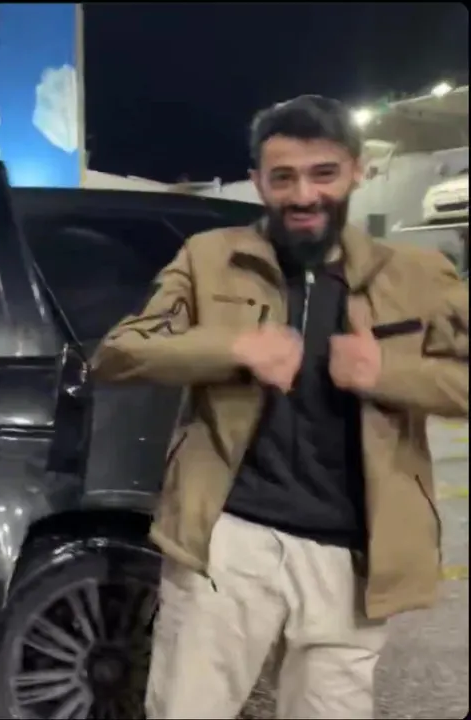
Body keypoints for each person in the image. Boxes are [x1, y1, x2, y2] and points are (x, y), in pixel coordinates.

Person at [92, 95, 469, 720]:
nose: (303, 195)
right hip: (228, 539)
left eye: (324, 173)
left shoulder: (418, 275)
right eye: (283, 177)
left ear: (357, 171)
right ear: (259, 179)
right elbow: (119, 353)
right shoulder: (210, 257)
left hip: (352, 557)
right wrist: (233, 348)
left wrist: (389, 373)